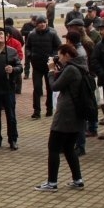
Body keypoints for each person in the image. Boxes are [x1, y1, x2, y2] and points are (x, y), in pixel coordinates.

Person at [34, 44, 87, 192]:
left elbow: (55, 86)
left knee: (53, 147)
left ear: (67, 55)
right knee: (69, 148)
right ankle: (77, 179)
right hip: (77, 113)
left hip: (66, 113)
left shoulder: (71, 69)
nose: (59, 58)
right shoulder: (81, 66)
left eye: (60, 55)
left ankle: (52, 182)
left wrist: (51, 70)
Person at [24, 16, 61, 119]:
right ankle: (36, 111)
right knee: (37, 88)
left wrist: (53, 56)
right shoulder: (32, 35)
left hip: (49, 66)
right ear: (37, 24)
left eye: (44, 22)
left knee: (49, 88)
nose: (42, 24)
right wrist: (30, 55)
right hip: (36, 66)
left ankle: (49, 108)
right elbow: (27, 47)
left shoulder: (52, 34)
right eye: (40, 23)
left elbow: (58, 46)